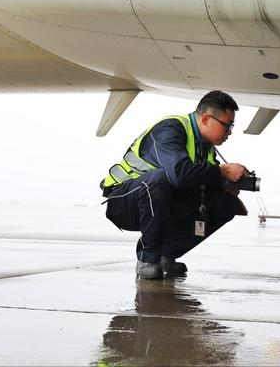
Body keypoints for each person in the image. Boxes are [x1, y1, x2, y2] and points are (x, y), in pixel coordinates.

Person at [100, 90, 251, 279]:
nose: (229, 132)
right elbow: (179, 174)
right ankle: (147, 258)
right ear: (206, 119)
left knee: (226, 204)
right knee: (159, 180)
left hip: (161, 202)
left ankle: (167, 254)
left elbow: (197, 180)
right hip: (125, 200)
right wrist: (223, 171)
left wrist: (224, 185)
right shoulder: (170, 129)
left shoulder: (205, 147)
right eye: (227, 126)